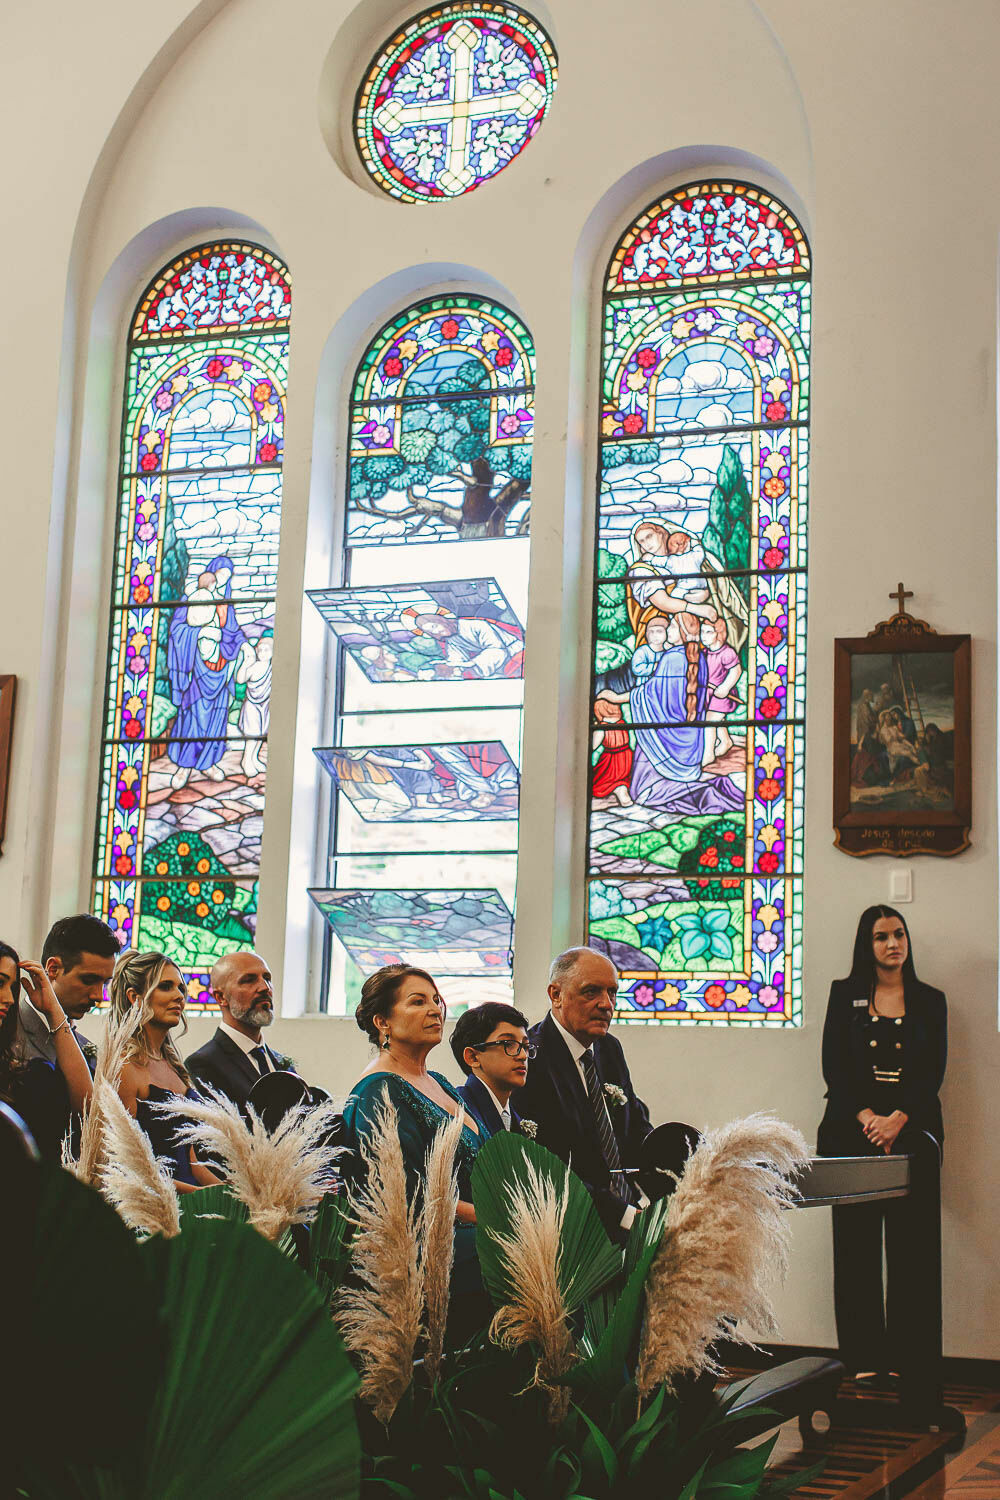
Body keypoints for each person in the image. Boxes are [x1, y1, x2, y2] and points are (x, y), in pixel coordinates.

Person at [817, 907, 947, 1386]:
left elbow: (933, 1070)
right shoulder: (843, 994)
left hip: (913, 1135)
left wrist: (897, 1120)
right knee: (855, 1250)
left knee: (913, 1251)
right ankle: (863, 1359)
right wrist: (868, 1117)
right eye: (881, 937)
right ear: (865, 945)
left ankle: (910, 1361)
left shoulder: (931, 1001)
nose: (893, 944)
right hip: (852, 1133)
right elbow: (834, 1066)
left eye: (899, 934)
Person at [342, 965, 483, 1328]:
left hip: (476, 1229)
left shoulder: (436, 1081)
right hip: (432, 1247)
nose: (435, 1009)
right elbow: (407, 1197)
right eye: (418, 1002)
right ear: (382, 1022)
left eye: (436, 1000)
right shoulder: (380, 1090)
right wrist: (490, 1218)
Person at [515, 948, 652, 1239]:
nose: (606, 1004)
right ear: (556, 995)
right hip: (575, 1226)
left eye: (612, 993)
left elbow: (636, 1127)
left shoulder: (609, 1049)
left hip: (631, 1206)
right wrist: (627, 1217)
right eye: (591, 992)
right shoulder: (530, 1059)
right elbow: (547, 1167)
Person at [110, 949, 222, 1191]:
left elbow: (192, 1161)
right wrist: (198, 1195)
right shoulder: (124, 1066)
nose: (179, 996)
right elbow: (125, 1165)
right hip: (154, 1202)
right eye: (166, 986)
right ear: (135, 997)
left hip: (193, 1200)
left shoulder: (174, 1065)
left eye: (181, 988)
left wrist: (228, 1195)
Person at [0, 939, 94, 1160]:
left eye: (12, 988)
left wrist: (53, 1010)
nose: (10, 999)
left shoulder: (22, 1073)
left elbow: (88, 1107)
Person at [185, 951, 297, 1111]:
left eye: (267, 978)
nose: (265, 988)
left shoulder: (281, 1063)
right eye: (249, 981)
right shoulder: (203, 1064)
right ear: (220, 997)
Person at [17, 913, 119, 1072]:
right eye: (88, 980)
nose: (98, 996)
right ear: (53, 969)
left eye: (105, 983)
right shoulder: (10, 1031)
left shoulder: (89, 1052)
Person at [450, 1002, 532, 1137]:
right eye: (508, 1044)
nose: (523, 1055)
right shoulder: (458, 1113)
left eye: (526, 1046)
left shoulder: (518, 1115)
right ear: (473, 1057)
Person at [700, 617, 742, 768]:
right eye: (702, 632)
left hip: (722, 696)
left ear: (719, 633)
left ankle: (708, 754)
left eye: (708, 632)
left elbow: (736, 670)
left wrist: (725, 687)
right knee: (715, 721)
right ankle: (726, 741)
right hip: (709, 695)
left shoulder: (727, 652)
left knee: (710, 721)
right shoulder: (705, 652)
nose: (703, 636)